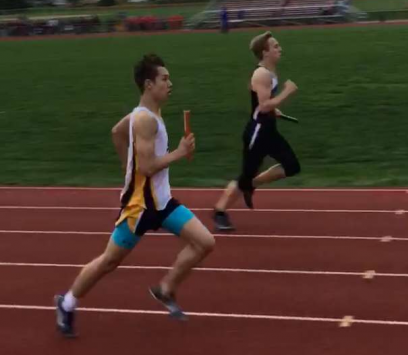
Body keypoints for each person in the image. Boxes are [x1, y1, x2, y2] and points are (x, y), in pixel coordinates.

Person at [55, 53, 215, 337]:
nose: (170, 83)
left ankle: (166, 289)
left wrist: (126, 169)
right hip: (139, 208)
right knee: (109, 262)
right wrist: (178, 153)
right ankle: (66, 303)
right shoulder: (145, 120)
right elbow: (148, 166)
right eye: (164, 79)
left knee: (205, 242)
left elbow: (117, 132)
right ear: (148, 84)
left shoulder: (146, 113)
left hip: (162, 203)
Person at [213, 31, 300, 231]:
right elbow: (262, 106)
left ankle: (252, 184)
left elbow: (262, 104)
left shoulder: (269, 72)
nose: (280, 49)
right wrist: (286, 92)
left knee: (292, 166)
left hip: (269, 130)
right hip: (257, 133)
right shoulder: (261, 74)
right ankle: (219, 212)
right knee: (244, 175)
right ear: (265, 52)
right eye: (276, 46)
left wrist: (273, 110)